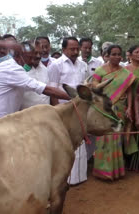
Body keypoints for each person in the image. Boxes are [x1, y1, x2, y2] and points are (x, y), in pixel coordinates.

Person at [0, 41, 70, 123]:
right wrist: (73, 96)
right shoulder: (12, 69)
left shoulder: (12, 66)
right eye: (30, 57)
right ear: (18, 55)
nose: (33, 61)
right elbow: (45, 89)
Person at [48, 37, 88, 185]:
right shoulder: (55, 65)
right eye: (72, 49)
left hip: (79, 110)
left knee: (78, 141)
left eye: (77, 49)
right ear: (64, 49)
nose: (75, 51)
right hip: (64, 110)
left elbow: (84, 87)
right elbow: (52, 90)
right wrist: (57, 112)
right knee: (64, 143)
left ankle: (79, 177)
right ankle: (63, 178)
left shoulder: (82, 65)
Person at [92, 44, 135, 180]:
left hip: (120, 109)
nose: (116, 57)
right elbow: (94, 88)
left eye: (118, 54)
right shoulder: (100, 71)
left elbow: (129, 92)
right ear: (107, 55)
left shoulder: (126, 73)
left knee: (117, 139)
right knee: (104, 138)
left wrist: (129, 108)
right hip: (105, 110)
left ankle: (116, 171)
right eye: (113, 54)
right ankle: (103, 171)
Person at [21, 40, 50, 109]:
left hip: (45, 114)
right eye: (35, 53)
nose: (38, 56)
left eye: (40, 53)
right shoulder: (20, 70)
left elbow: (49, 92)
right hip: (26, 115)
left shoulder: (45, 69)